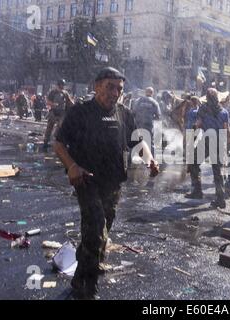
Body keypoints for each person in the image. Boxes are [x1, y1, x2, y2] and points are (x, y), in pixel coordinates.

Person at [54, 67, 159, 299]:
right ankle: (88, 287)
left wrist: (150, 160)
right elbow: (58, 143)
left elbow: (138, 142)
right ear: (96, 86)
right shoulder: (80, 112)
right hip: (87, 180)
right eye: (110, 87)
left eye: (119, 89)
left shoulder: (124, 113)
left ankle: (82, 271)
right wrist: (72, 166)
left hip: (113, 182)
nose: (115, 93)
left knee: (102, 229)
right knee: (95, 229)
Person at [186, 88, 229, 209]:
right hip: (219, 141)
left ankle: (197, 191)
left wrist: (193, 131)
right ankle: (220, 199)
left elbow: (198, 124)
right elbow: (226, 129)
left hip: (207, 140)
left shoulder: (203, 109)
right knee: (217, 170)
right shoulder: (224, 111)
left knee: (193, 162)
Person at [43, 79, 74, 149]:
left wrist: (75, 105)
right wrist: (53, 104)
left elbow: (70, 102)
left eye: (62, 85)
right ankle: (45, 142)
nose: (62, 86)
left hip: (62, 113)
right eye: (60, 85)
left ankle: (58, 141)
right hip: (53, 112)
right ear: (58, 85)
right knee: (49, 127)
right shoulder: (53, 92)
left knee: (61, 127)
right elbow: (47, 101)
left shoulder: (65, 93)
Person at [132, 87, 161, 156]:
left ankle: (134, 157)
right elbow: (158, 116)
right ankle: (152, 158)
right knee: (150, 142)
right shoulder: (154, 102)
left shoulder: (138, 101)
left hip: (138, 124)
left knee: (137, 140)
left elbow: (133, 112)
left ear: (145, 92)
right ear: (152, 93)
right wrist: (151, 117)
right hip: (148, 125)